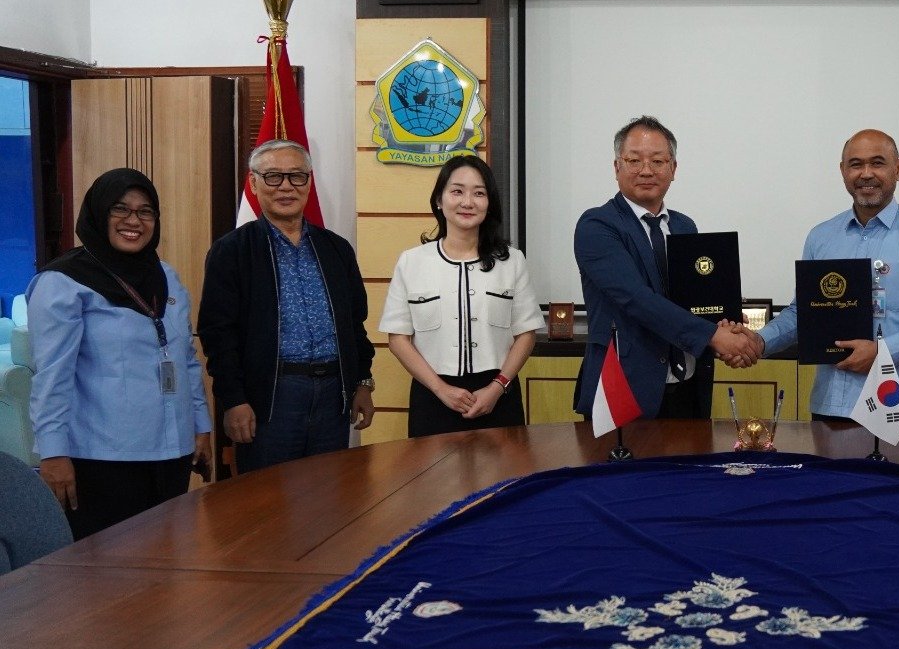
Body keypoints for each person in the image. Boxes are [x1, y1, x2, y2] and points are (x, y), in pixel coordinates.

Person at [27, 168, 211, 539]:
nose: (134, 221)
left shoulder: (166, 276)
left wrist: (201, 425)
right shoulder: (63, 282)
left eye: (145, 211)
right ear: (98, 213)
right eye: (120, 209)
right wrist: (53, 452)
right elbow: (52, 377)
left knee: (168, 562)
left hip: (171, 454)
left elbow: (186, 358)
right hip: (103, 461)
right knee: (109, 568)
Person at [746, 129, 899, 427]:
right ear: (843, 171)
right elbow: (804, 314)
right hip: (831, 405)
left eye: (877, 163)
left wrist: (883, 352)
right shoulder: (821, 237)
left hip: (898, 406)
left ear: (898, 169)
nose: (866, 174)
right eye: (856, 164)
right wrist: (759, 341)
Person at [198, 140, 375, 474]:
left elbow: (355, 325)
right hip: (271, 396)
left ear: (309, 182)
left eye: (296, 176)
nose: (286, 187)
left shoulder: (335, 249)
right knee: (268, 496)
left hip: (333, 395)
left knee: (328, 491)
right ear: (253, 183)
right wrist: (234, 399)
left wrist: (363, 383)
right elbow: (218, 334)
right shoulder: (233, 251)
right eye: (273, 176)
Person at [572, 116, 760, 420]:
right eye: (634, 160)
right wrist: (714, 336)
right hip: (624, 388)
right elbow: (636, 299)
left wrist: (725, 325)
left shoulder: (685, 226)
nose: (646, 170)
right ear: (617, 167)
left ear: (673, 169)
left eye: (658, 161)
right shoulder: (597, 225)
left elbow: (695, 300)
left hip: (689, 387)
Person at [380, 155, 544, 437]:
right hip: (433, 396)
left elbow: (526, 334)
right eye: (457, 191)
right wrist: (441, 389)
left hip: (498, 396)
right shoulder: (412, 262)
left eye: (479, 193)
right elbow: (398, 339)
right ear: (439, 200)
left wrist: (497, 387)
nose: (468, 202)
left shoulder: (511, 261)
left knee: (507, 467)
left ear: (489, 203)